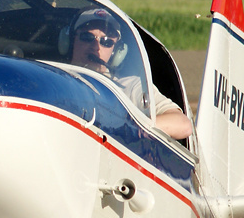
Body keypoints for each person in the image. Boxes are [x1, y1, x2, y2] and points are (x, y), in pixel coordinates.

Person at [68, 8, 193, 140]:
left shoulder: (129, 86)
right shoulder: (52, 76)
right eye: (87, 37)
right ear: (69, 41)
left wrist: (126, 128)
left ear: (117, 52)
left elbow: (183, 125)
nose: (96, 47)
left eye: (106, 42)